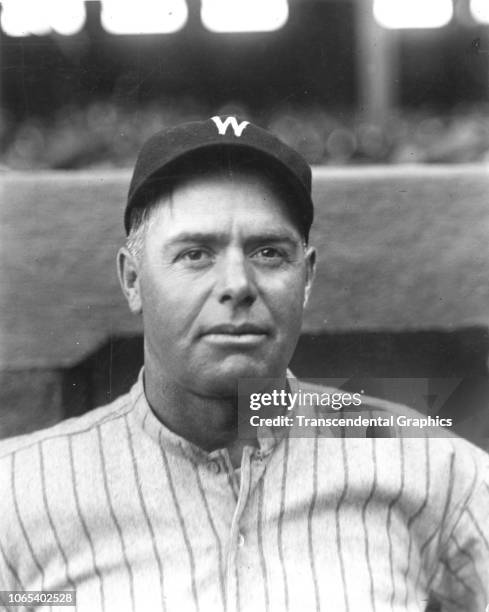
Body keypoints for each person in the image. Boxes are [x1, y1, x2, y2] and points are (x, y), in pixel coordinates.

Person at [0, 116, 488, 612]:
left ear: (307, 277)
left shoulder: (428, 467)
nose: (238, 284)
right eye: (195, 254)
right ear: (132, 279)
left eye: (270, 252)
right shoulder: (19, 493)